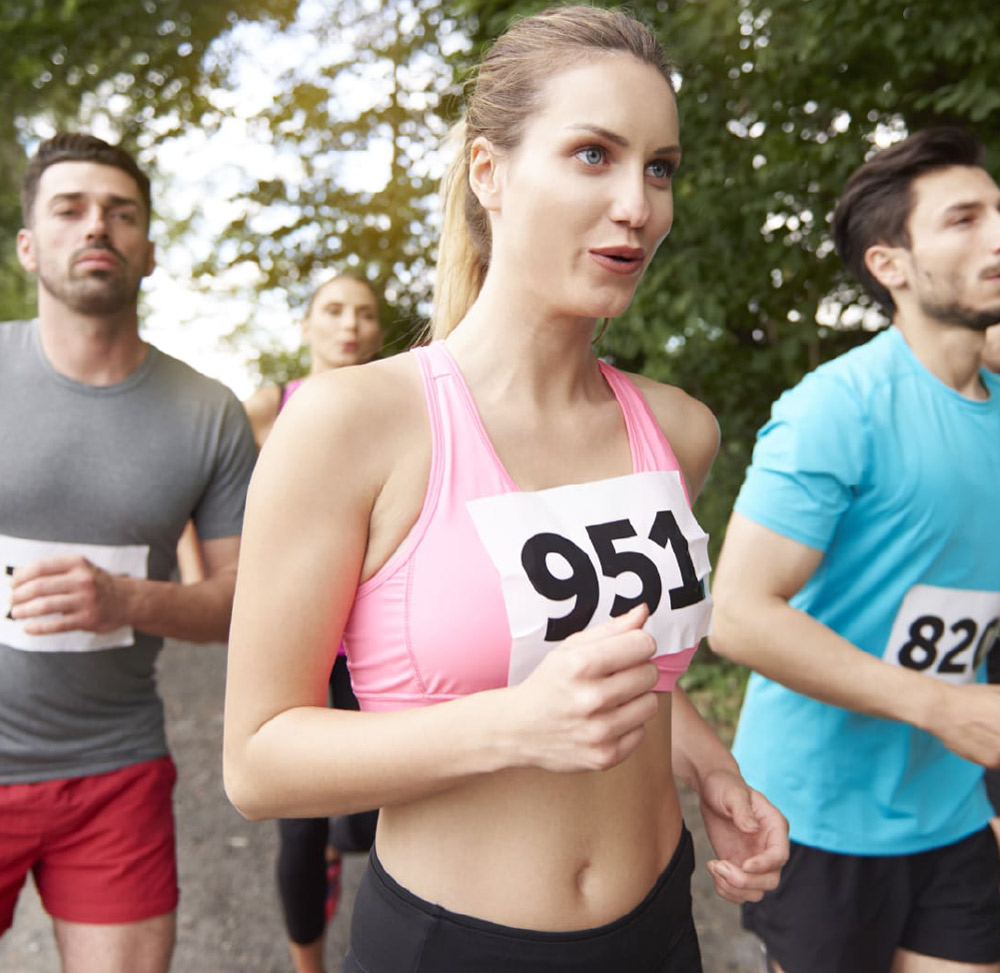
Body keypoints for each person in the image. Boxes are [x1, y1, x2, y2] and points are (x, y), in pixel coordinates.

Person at [224, 7, 788, 972]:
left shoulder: (679, 429)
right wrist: (516, 725)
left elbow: (625, 669)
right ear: (489, 172)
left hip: (660, 925)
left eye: (659, 167)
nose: (638, 205)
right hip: (455, 943)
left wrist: (708, 762)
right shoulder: (351, 424)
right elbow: (258, 761)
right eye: (592, 154)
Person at [710, 127, 1000, 973]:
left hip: (947, 806)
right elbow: (738, 616)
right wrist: (943, 706)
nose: (997, 233)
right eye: (964, 219)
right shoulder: (835, 407)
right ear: (891, 265)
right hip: (819, 810)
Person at [0, 133, 257, 973]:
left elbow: (238, 602)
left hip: (113, 768)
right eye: (69, 210)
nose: (97, 227)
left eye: (121, 213)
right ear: (30, 245)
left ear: (147, 249)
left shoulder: (208, 413)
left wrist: (127, 600)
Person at [245, 274, 383, 973]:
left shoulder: (396, 405)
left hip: (374, 636)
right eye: (333, 310)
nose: (348, 325)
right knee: (297, 825)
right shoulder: (272, 408)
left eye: (364, 313)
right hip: (299, 636)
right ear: (306, 326)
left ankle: (345, 844)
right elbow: (210, 492)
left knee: (374, 806)